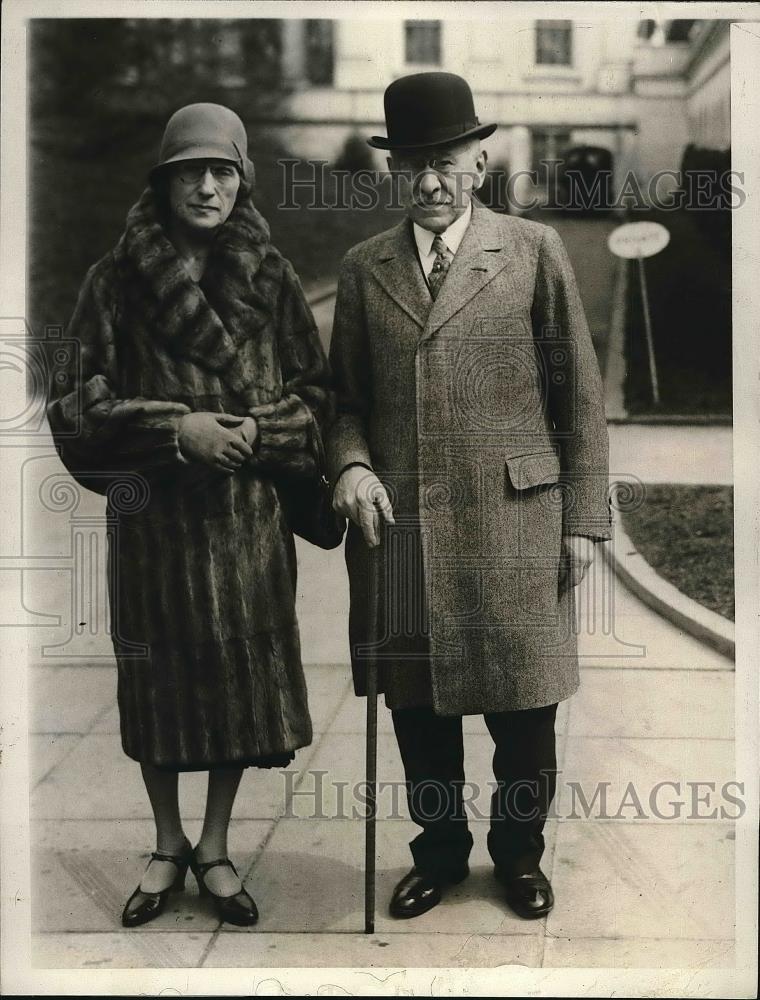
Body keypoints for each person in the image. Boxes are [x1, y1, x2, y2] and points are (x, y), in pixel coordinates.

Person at [327, 73, 611, 920]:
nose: (428, 181)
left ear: (479, 160)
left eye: (445, 160)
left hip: (517, 519)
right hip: (404, 528)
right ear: (393, 168)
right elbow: (344, 401)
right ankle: (440, 853)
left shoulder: (532, 250)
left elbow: (579, 395)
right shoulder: (362, 267)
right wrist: (349, 465)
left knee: (525, 711)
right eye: (412, 162)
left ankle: (519, 857)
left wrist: (585, 520)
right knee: (421, 711)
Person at [47, 103, 333, 928]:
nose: (206, 187)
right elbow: (75, 402)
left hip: (246, 524)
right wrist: (178, 431)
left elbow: (315, 393)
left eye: (222, 171)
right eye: (189, 171)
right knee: (161, 683)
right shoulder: (115, 276)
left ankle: (213, 846)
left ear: (243, 179)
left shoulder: (271, 274)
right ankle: (166, 843)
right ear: (163, 179)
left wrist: (259, 432)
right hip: (158, 525)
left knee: (235, 693)